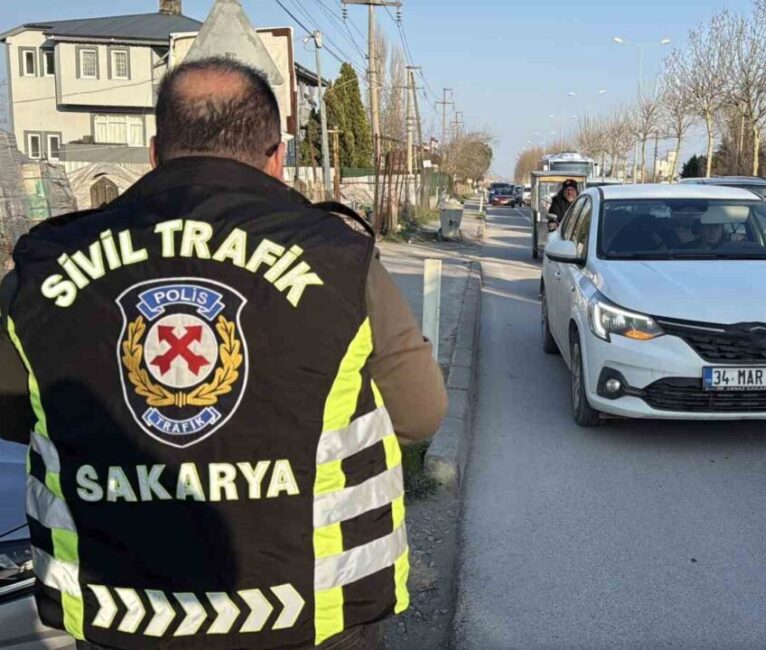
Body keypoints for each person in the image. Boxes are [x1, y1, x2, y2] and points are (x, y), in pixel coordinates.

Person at [0, 57, 446, 650]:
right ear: (278, 156)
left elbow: (12, 410)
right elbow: (420, 413)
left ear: (155, 153)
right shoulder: (340, 259)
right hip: (310, 620)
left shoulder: (44, 265)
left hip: (122, 622)